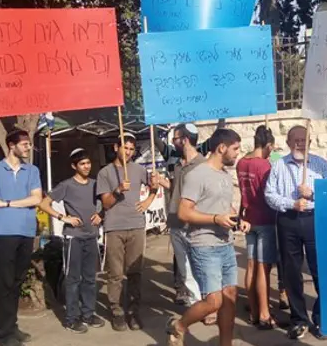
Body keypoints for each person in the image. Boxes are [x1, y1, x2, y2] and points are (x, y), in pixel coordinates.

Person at [166, 129, 250, 346]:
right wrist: (215, 219)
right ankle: (179, 326)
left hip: (226, 244)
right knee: (214, 301)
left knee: (230, 297)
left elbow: (224, 207)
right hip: (204, 245)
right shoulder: (197, 174)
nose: (237, 154)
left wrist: (237, 218)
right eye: (235, 149)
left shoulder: (224, 175)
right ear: (221, 148)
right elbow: (184, 212)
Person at [265, 124, 327, 340]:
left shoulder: (321, 165)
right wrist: (291, 203)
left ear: (310, 143)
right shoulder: (278, 166)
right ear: (287, 143)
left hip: (315, 220)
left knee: (320, 269)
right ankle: (298, 319)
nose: (300, 143)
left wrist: (313, 193)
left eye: (304, 140)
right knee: (291, 271)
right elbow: (270, 194)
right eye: (295, 140)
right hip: (288, 220)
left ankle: (323, 318)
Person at [0, 130, 43, 346]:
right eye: (25, 144)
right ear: (11, 145)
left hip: (26, 231)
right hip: (3, 232)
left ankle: (12, 325)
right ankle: (3, 333)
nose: (28, 147)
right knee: (5, 282)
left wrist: (6, 203)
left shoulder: (32, 170)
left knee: (17, 282)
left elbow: (36, 198)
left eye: (29, 144)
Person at [38, 148, 105, 333]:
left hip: (91, 237)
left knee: (90, 278)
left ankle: (88, 314)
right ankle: (71, 319)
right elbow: (43, 203)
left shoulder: (95, 184)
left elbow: (106, 203)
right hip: (73, 238)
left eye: (88, 163)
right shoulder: (66, 185)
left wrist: (101, 214)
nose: (86, 166)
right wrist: (63, 218)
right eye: (82, 164)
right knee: (73, 279)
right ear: (74, 166)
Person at [96, 132, 157, 331]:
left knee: (135, 271)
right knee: (115, 273)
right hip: (114, 227)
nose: (128, 152)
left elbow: (154, 186)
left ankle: (133, 311)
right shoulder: (105, 172)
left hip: (137, 225)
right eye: (125, 148)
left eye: (131, 149)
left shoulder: (139, 170)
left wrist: (148, 200)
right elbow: (105, 204)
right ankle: (117, 311)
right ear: (116, 148)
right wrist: (118, 190)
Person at [153, 124, 207, 318]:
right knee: (185, 270)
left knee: (201, 266)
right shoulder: (177, 164)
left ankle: (208, 304)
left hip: (195, 225)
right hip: (176, 224)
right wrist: (161, 181)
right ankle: (197, 306)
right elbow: (176, 188)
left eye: (175, 138)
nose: (173, 142)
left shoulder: (202, 165)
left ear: (184, 140)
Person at [236, 126, 278, 329]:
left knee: (251, 265)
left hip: (248, 217)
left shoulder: (241, 162)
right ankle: (264, 313)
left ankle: (253, 310)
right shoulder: (265, 166)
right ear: (268, 145)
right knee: (263, 267)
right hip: (266, 218)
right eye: (272, 147)